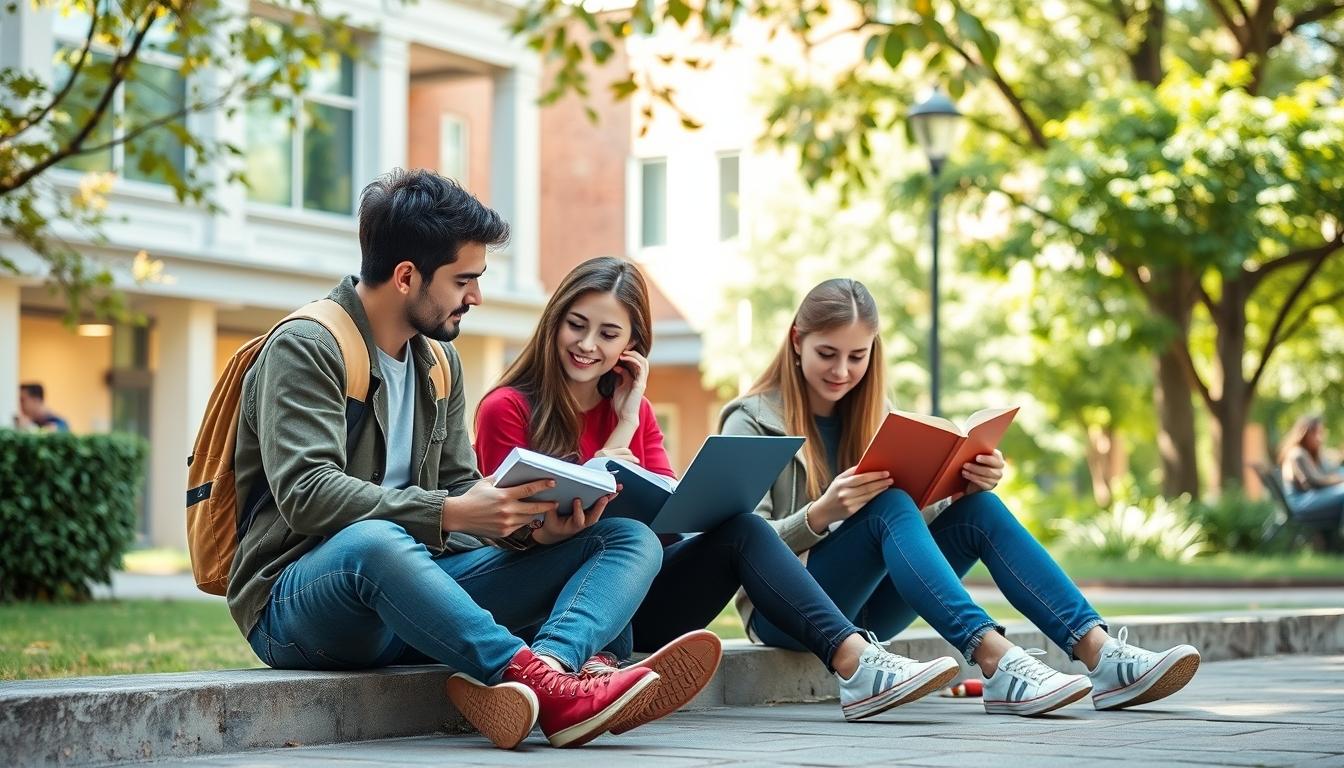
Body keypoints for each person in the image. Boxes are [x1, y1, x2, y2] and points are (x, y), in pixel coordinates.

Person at [228, 169, 704, 751]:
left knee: (628, 538)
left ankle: (548, 672)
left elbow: (460, 488)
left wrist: (531, 535)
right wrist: (453, 513)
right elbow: (308, 495)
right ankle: (546, 683)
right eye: (464, 280)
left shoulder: (438, 364)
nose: (475, 296)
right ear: (407, 277)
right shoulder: (309, 346)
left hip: (416, 596)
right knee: (376, 542)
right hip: (301, 604)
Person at [474, 256, 961, 726]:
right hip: (551, 601)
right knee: (612, 536)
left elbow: (666, 526)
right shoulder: (507, 408)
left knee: (742, 526)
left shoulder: (637, 411)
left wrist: (632, 423)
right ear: (554, 322)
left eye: (608, 333)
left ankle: (856, 664)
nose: (587, 344)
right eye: (576, 325)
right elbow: (495, 535)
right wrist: (614, 447)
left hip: (641, 594)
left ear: (632, 345)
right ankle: (595, 665)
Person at [720, 278, 1202, 716]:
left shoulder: (875, 415)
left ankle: (1101, 654)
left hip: (869, 605)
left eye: (857, 356)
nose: (843, 371)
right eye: (828, 353)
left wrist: (960, 487)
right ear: (796, 341)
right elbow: (742, 549)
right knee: (886, 506)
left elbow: (911, 520)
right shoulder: (751, 421)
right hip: (786, 612)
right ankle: (996, 661)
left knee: (979, 511)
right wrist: (822, 513)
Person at [1278, 415, 1344, 543]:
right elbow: (1314, 482)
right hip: (1302, 504)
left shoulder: (1305, 453)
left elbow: (1328, 471)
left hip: (1308, 500)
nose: (1320, 438)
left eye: (1321, 433)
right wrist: (1340, 480)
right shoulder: (1297, 454)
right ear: (1304, 433)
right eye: (1316, 433)